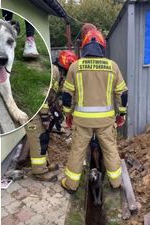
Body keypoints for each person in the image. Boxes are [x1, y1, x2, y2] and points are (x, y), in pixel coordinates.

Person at [60, 27, 128, 193]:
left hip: (82, 121)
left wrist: (67, 115)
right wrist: (122, 113)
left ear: (84, 47)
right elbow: (123, 93)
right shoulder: (112, 66)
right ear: (102, 47)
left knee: (77, 151)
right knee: (110, 150)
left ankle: (71, 184)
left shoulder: (75, 67)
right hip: (106, 121)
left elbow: (67, 96)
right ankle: (116, 182)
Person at [25, 50, 78, 181]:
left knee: (44, 137)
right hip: (34, 112)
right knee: (38, 139)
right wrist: (44, 116)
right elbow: (44, 94)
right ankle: (40, 172)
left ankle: (45, 165)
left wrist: (57, 112)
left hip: (39, 110)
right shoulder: (53, 72)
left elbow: (55, 97)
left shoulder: (59, 74)